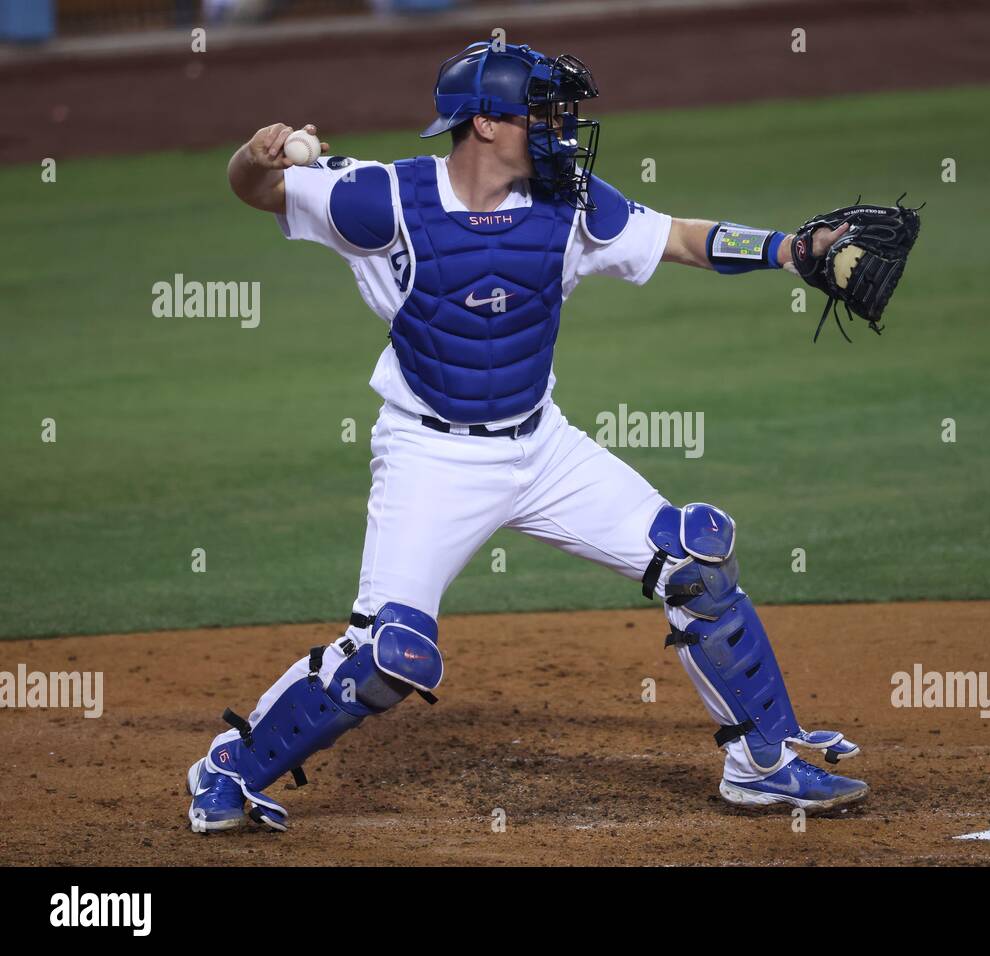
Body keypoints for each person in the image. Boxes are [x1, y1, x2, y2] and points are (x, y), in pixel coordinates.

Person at [187, 40, 868, 834]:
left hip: (543, 450)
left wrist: (790, 251)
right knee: (389, 656)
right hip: (430, 455)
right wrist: (253, 155)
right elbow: (256, 189)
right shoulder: (381, 198)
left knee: (697, 556)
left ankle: (764, 764)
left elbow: (681, 236)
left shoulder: (570, 202)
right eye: (541, 113)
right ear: (483, 122)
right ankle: (229, 766)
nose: (560, 129)